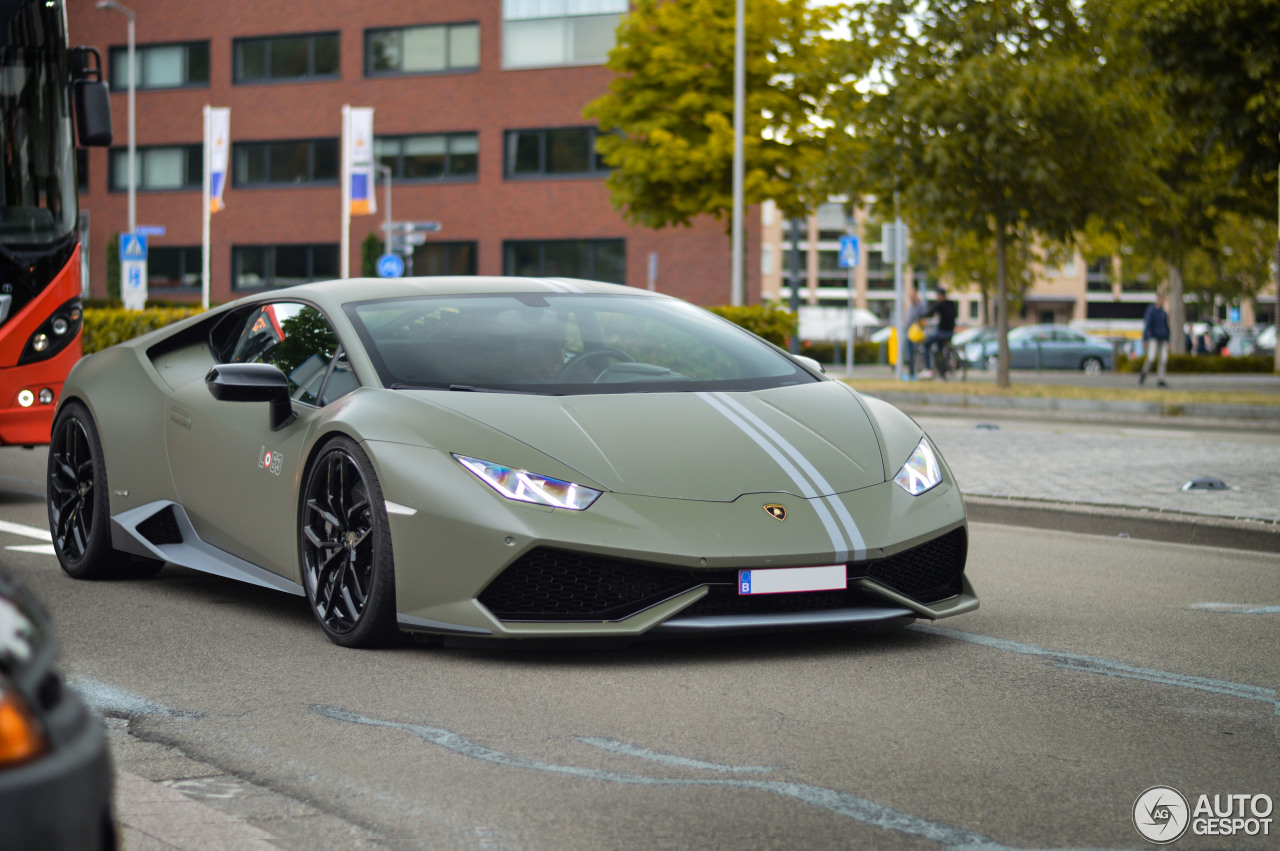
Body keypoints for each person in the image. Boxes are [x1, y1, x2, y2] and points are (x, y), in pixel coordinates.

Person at [920, 287, 958, 375]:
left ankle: (928, 368)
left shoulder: (940, 304)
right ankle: (942, 366)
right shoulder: (952, 304)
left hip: (942, 333)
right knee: (940, 348)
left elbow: (930, 313)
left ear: (940, 295)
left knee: (926, 344)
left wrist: (920, 317)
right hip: (950, 333)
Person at [1139, 292, 1170, 387]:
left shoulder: (1163, 313)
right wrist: (1145, 338)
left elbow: (1167, 327)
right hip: (1153, 337)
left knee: (1163, 358)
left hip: (1163, 338)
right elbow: (1147, 325)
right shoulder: (1152, 311)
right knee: (1151, 357)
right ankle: (1144, 372)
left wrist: (1168, 339)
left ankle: (1160, 378)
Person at [902, 288, 929, 379]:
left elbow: (924, 321)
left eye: (912, 295)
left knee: (915, 354)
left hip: (916, 334)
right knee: (909, 355)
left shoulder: (920, 306)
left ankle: (916, 373)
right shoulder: (911, 307)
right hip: (909, 334)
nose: (910, 297)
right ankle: (911, 373)